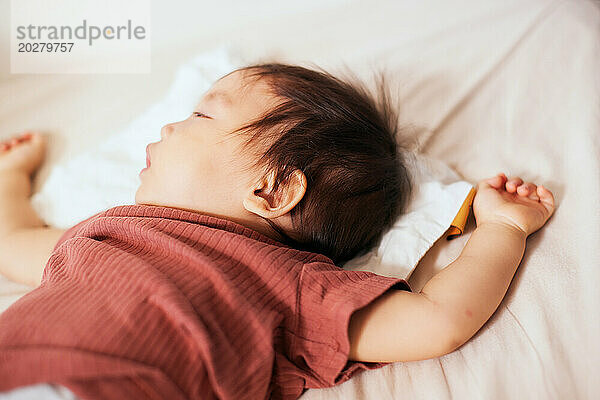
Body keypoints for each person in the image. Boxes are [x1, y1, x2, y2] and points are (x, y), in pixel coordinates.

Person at [0, 63, 555, 400]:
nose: (169, 124)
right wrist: (10, 178)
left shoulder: (283, 283)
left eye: (200, 117)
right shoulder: (110, 229)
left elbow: (434, 321)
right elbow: (13, 245)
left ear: (271, 191)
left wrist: (502, 228)